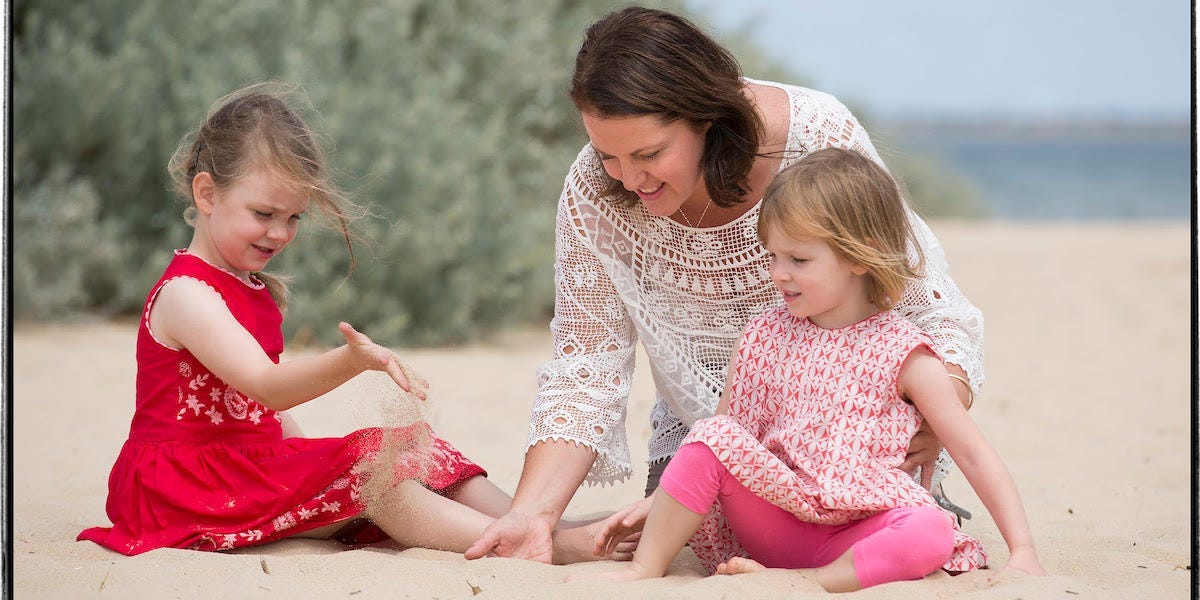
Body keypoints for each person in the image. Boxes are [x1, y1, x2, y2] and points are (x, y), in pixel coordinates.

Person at [466, 6, 983, 562]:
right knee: (670, 540)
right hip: (710, 441)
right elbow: (585, 367)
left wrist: (938, 410)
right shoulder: (595, 190)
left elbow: (930, 308)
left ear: (707, 119)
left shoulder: (814, 134)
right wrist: (532, 514)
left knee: (890, 541)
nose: (630, 177)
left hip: (847, 433)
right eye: (608, 153)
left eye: (650, 154)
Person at [77, 82, 620, 562]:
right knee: (373, 479)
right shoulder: (186, 295)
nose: (279, 233)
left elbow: (260, 415)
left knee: (411, 449)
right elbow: (266, 387)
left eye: (293, 218)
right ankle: (527, 545)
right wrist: (351, 362)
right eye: (264, 213)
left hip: (239, 466)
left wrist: (305, 464)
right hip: (180, 484)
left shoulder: (255, 290)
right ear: (206, 193)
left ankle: (534, 523)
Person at [573, 147, 1045, 591]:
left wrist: (1022, 549)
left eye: (799, 259)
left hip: (856, 532)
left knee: (930, 530)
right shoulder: (763, 335)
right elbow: (719, 447)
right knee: (712, 434)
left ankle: (804, 583)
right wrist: (658, 503)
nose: (779, 273)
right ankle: (646, 568)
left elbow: (975, 455)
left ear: (861, 255)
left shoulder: (908, 356)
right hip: (774, 517)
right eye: (774, 256)